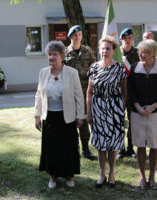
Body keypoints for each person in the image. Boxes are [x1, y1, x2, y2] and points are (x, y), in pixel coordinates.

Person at [35, 40, 85, 189]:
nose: (52, 57)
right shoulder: (43, 72)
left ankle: (69, 175)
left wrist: (80, 115)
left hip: (67, 117)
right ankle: (53, 176)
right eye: (49, 54)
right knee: (51, 148)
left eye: (55, 54)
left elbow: (79, 96)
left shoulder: (72, 72)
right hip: (49, 117)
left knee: (68, 148)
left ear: (62, 56)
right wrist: (37, 115)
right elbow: (39, 94)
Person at [128, 39, 157, 189]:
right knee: (140, 145)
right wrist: (138, 107)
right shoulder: (134, 68)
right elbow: (130, 91)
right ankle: (142, 177)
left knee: (154, 145)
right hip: (137, 112)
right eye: (140, 51)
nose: (140, 54)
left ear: (153, 54)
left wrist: (152, 107)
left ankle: (152, 177)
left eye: (144, 52)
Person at [87, 36, 127, 188]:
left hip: (114, 109)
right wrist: (89, 111)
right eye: (102, 48)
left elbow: (124, 90)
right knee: (101, 144)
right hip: (98, 108)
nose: (105, 51)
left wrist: (120, 108)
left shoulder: (120, 68)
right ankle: (102, 174)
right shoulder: (94, 68)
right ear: (99, 50)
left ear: (114, 50)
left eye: (108, 48)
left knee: (113, 143)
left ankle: (111, 174)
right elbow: (89, 92)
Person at [64, 25, 96, 160]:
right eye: (75, 34)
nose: (78, 36)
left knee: (83, 119)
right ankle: (73, 148)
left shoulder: (87, 51)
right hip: (70, 92)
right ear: (70, 36)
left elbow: (94, 69)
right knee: (71, 120)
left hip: (84, 91)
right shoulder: (64, 52)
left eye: (80, 34)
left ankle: (86, 149)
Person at [118, 27, 140, 159]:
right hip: (119, 92)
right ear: (121, 39)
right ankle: (120, 148)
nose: (127, 40)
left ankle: (131, 147)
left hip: (133, 92)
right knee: (119, 120)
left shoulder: (138, 53)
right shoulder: (115, 53)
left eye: (129, 37)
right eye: (124, 38)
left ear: (133, 38)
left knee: (133, 121)